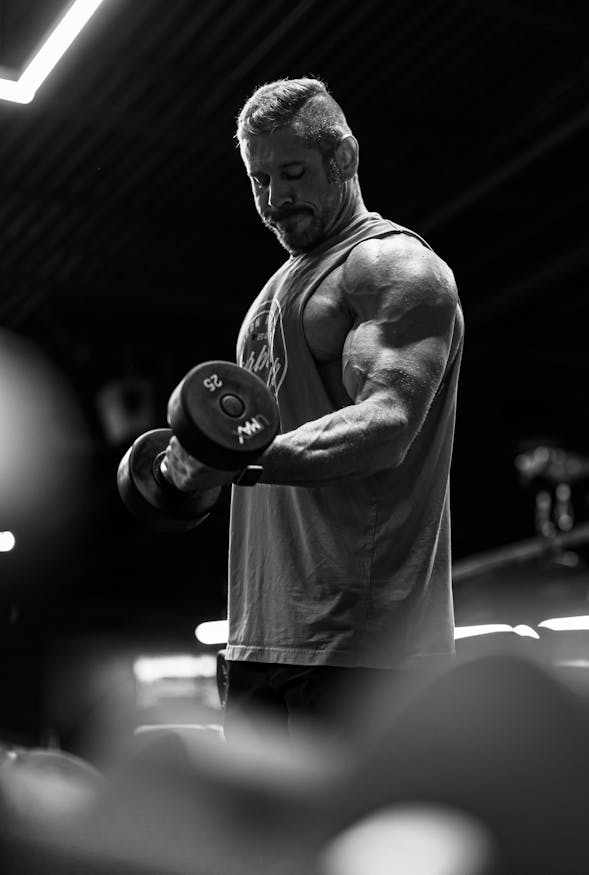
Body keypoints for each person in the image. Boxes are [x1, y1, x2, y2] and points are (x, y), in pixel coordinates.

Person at [163, 76, 464, 739]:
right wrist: (192, 466)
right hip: (257, 637)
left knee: (344, 843)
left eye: (293, 172)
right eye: (259, 181)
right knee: (257, 845)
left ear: (345, 159)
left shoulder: (391, 266)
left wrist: (235, 463)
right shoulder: (275, 289)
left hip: (362, 649)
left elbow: (386, 427)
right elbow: (254, 435)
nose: (274, 199)